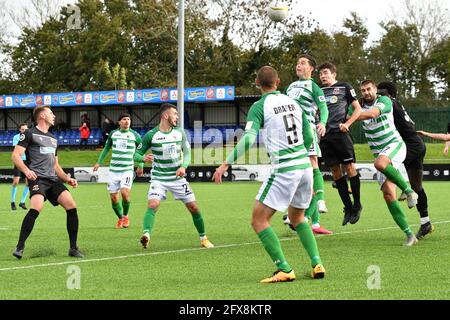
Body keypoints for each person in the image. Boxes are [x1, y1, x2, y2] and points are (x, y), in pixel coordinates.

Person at [214, 66, 325, 283]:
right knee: (298, 217)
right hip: (304, 166)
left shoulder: (259, 106)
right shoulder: (293, 103)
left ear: (257, 82)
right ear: (279, 82)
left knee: (259, 220)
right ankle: (316, 263)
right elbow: (309, 136)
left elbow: (247, 139)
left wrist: (225, 163)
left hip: (285, 168)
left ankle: (284, 268)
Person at [134, 103, 214, 250]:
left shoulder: (180, 133)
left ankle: (204, 238)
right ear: (165, 115)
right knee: (153, 204)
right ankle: (146, 235)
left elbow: (188, 153)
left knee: (194, 207)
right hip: (158, 178)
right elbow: (136, 154)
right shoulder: (151, 135)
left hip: (177, 179)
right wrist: (142, 159)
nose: (177, 117)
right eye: (175, 114)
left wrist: (183, 166)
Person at [11, 106, 83, 259]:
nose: (54, 116)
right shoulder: (29, 133)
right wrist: (26, 171)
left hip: (53, 180)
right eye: (51, 113)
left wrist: (67, 178)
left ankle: (73, 248)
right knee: (36, 207)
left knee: (72, 206)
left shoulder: (53, 138)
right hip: (38, 179)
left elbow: (56, 166)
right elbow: (16, 156)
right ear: (42, 115)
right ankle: (20, 246)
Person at [356, 80, 418, 246]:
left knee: (380, 164)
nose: (366, 92)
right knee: (388, 195)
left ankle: (409, 190)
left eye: (369, 89)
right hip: (379, 152)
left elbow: (372, 114)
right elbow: (349, 115)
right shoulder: (358, 105)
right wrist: (354, 112)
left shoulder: (384, 100)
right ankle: (410, 235)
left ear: (375, 89)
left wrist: (354, 114)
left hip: (395, 145)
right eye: (363, 90)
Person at [378, 81, 434, 239]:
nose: (378, 97)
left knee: (386, 164)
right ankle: (426, 222)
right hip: (416, 144)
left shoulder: (390, 104)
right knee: (418, 186)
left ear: (389, 94)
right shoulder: (397, 104)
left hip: (411, 146)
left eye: (380, 93)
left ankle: (404, 188)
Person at [285, 54, 329, 231]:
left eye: (302, 63)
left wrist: (323, 122)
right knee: (298, 171)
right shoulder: (290, 87)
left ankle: (319, 200)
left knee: (312, 164)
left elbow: (323, 108)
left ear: (311, 68)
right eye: (297, 63)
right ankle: (313, 220)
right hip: (290, 132)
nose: (298, 66)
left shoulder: (314, 87)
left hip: (307, 129)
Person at [318, 62, 363, 227]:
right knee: (336, 173)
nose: (322, 76)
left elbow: (357, 109)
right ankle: (348, 207)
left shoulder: (344, 87)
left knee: (350, 168)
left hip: (341, 135)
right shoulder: (318, 91)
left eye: (325, 73)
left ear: (333, 74)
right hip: (325, 137)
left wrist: (348, 124)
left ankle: (357, 205)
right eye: (321, 74)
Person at [93, 113, 143, 229]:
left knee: (125, 193)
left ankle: (125, 216)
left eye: (128, 119)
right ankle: (120, 217)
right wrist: (98, 162)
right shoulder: (113, 134)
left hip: (127, 170)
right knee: (114, 198)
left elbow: (141, 152)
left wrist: (140, 165)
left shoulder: (135, 135)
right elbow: (106, 149)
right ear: (119, 122)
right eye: (124, 119)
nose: (127, 121)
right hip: (113, 171)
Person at [11, 123, 30, 211]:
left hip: (28, 162)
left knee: (28, 183)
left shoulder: (29, 137)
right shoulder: (16, 137)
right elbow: (18, 150)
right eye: (22, 129)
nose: (24, 131)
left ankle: (22, 202)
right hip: (19, 161)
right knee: (16, 182)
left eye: (26, 129)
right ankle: (12, 202)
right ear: (19, 130)